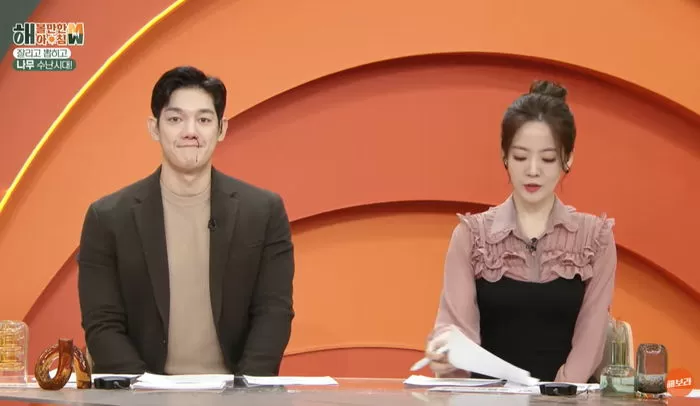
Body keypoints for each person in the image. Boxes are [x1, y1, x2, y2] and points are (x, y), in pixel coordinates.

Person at [77, 66, 295, 376]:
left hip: (235, 392)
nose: (190, 131)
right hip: (139, 393)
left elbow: (274, 312)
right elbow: (102, 323)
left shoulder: (263, 211)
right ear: (154, 128)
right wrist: (145, 393)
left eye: (204, 120)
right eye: (175, 119)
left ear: (222, 129)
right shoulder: (107, 218)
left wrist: (243, 391)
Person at [424, 80, 616, 383]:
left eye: (548, 158)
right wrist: (446, 353)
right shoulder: (471, 236)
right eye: (520, 157)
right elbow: (457, 329)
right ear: (504, 156)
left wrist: (557, 396)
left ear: (568, 158)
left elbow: (591, 335)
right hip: (486, 399)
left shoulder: (595, 238)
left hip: (567, 400)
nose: (533, 170)